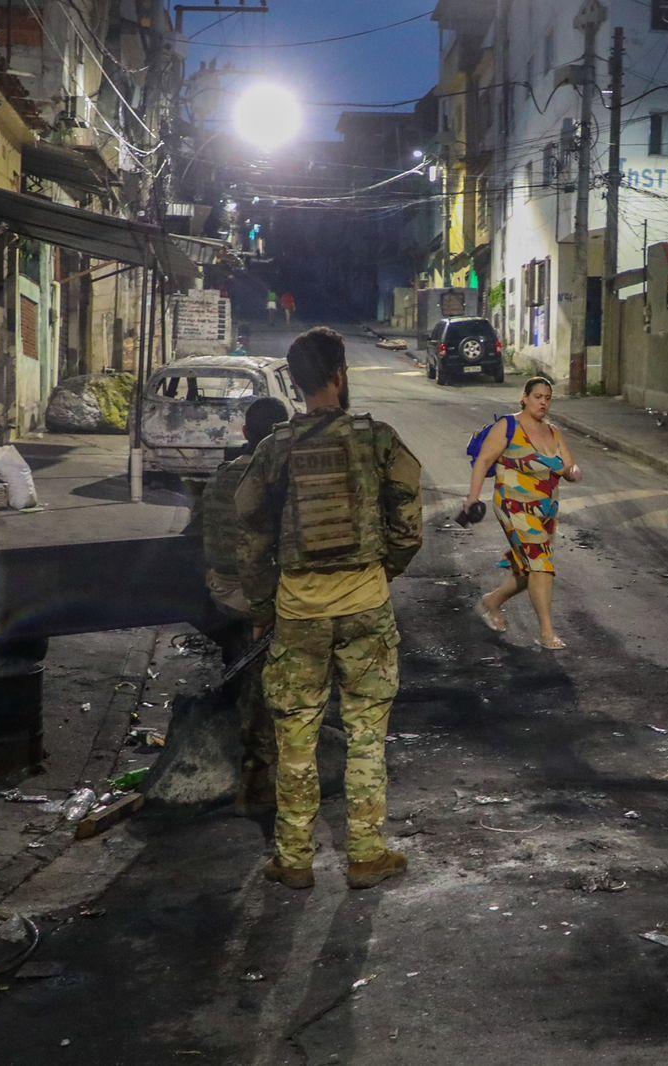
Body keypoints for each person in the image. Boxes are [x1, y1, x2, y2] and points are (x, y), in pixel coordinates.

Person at [233, 327, 423, 890]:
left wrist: (262, 606)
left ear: (295, 382)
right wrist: (384, 570)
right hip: (366, 604)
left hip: (298, 612)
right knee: (366, 733)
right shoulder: (378, 439)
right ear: (340, 375)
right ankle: (366, 854)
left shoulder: (275, 448)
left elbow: (251, 531)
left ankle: (294, 859)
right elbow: (408, 521)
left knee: (296, 735)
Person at [199, 396, 290, 817]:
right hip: (257, 596)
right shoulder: (279, 479)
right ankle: (263, 774)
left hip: (221, 590)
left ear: (245, 433)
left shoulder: (222, 475)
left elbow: (199, 532)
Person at [466, 376, 582, 650]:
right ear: (525, 398)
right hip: (513, 505)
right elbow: (484, 459)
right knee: (540, 563)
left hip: (545, 511)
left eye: (547, 398)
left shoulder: (553, 432)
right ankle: (547, 633)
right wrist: (472, 497)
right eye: (538, 397)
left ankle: (491, 602)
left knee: (528, 568)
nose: (543, 403)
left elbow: (569, 467)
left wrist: (574, 472)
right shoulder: (508, 426)